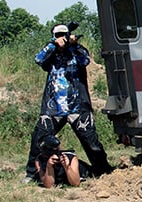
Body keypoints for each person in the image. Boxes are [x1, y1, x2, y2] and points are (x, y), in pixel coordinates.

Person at [23, 23, 112, 183]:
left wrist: (74, 44)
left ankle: (104, 171)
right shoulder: (50, 53)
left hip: (78, 106)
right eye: (57, 35)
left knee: (91, 142)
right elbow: (38, 59)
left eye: (63, 34)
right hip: (53, 107)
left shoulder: (77, 51)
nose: (61, 37)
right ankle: (32, 174)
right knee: (39, 139)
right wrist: (53, 45)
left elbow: (85, 60)